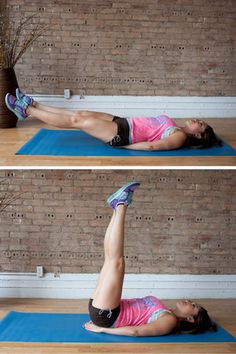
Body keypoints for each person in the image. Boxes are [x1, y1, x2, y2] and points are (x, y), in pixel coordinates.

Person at [84, 181, 217, 337]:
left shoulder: (169, 320)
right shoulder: (165, 309)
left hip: (108, 315)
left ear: (190, 318)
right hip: (107, 309)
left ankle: (121, 204)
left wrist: (103, 329)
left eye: (194, 306)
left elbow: (136, 332)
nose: (190, 301)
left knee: (116, 261)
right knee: (110, 259)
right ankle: (117, 207)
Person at [5, 90, 221, 152]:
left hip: (122, 134)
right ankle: (34, 104)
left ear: (198, 134)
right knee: (80, 113)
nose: (196, 120)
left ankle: (27, 111)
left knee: (76, 120)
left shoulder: (179, 136)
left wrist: (127, 145)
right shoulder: (176, 126)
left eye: (199, 124)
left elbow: (153, 146)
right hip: (122, 122)